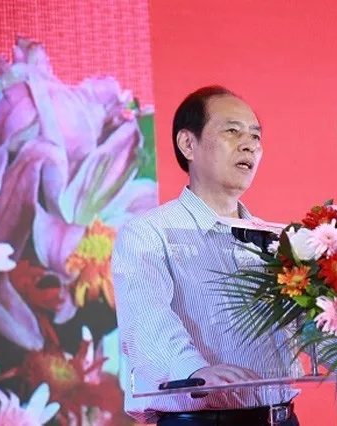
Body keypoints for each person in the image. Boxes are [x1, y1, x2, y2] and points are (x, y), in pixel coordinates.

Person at [111, 86, 303, 426]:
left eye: (255, 136)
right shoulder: (149, 232)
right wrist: (194, 371)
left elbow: (307, 328)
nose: (249, 145)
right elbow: (146, 321)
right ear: (188, 144)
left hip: (282, 418)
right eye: (232, 131)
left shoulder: (277, 240)